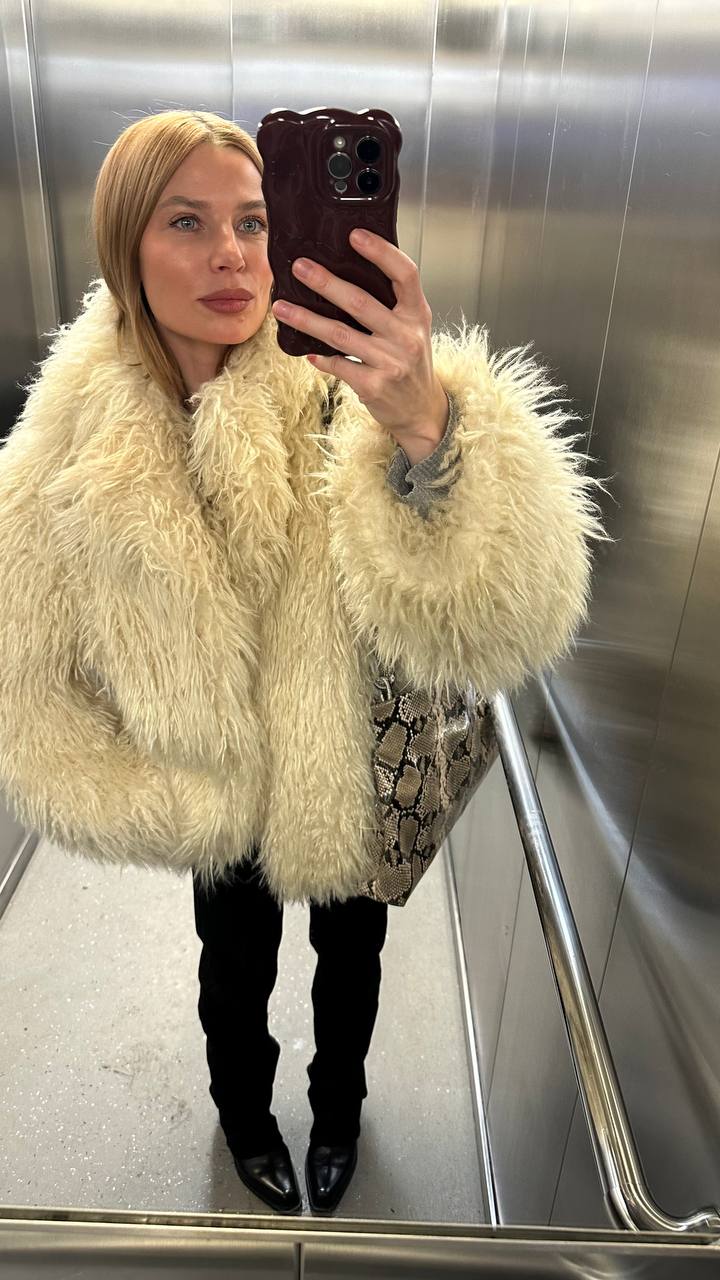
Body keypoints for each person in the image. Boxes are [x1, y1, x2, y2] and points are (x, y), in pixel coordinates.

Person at [0, 110, 608, 1217]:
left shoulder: (336, 382)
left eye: (253, 221)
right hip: (213, 783)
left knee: (352, 957)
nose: (232, 255)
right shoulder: (76, 429)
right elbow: (23, 667)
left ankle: (337, 1114)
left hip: (345, 760)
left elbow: (503, 610)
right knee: (230, 967)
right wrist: (161, 791)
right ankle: (244, 1118)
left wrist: (428, 430)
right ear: (126, 241)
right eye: (187, 222)